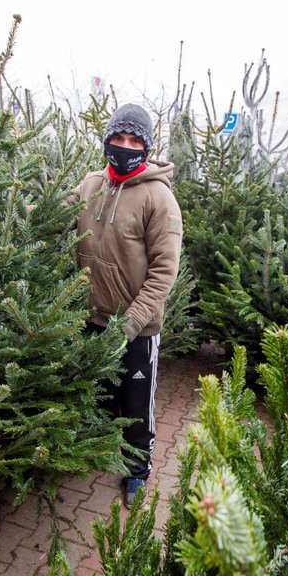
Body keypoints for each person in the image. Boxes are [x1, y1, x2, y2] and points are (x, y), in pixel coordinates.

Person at [70, 103, 183, 507]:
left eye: (134, 141)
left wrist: (131, 323)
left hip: (137, 327)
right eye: (118, 138)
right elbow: (52, 217)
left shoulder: (159, 199)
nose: (125, 147)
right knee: (97, 394)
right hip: (91, 316)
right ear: (107, 141)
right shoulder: (91, 184)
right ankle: (91, 449)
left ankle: (137, 469)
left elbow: (164, 272)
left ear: (146, 148)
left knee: (136, 405)